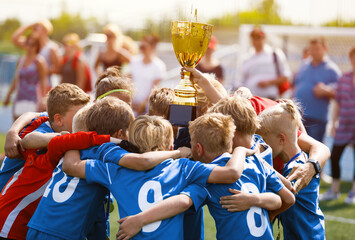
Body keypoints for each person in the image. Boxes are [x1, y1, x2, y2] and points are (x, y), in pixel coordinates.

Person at [62, 113, 252, 240]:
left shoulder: (114, 171)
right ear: (170, 146)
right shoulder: (183, 167)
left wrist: (70, 138)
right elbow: (230, 173)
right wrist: (241, 150)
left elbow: (71, 166)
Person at [26, 97, 188, 240]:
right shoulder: (107, 150)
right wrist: (177, 153)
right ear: (120, 134)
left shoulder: (76, 147)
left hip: (38, 224)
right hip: (64, 233)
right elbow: (141, 162)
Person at [116, 113, 294, 240]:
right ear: (230, 143)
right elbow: (285, 199)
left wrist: (140, 219)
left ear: (198, 149)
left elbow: (183, 202)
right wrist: (257, 202)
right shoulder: (255, 162)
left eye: (191, 143)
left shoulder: (207, 178)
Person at [184, 66, 331, 194]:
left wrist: (310, 167)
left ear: (206, 108)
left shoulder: (264, 115)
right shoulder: (231, 112)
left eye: (196, 114)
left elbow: (319, 147)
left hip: (290, 183)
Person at [0, 83, 91, 239]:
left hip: (26, 220)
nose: (84, 120)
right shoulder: (43, 135)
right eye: (79, 115)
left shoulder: (53, 121)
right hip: (11, 218)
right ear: (59, 120)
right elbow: (29, 140)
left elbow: (33, 114)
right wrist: (13, 132)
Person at [257, 100, 325, 240]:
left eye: (264, 139)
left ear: (281, 139)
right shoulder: (300, 159)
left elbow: (285, 198)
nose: (262, 145)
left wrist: (258, 161)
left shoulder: (297, 169)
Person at [320, 46, 355, 203]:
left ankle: (353, 193)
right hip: (344, 126)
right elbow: (337, 103)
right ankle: (334, 190)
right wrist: (334, 123)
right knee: (334, 156)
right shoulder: (343, 78)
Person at [293, 37, 341, 142]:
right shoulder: (304, 65)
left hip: (317, 119)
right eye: (311, 49)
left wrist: (326, 91)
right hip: (299, 116)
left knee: (314, 151)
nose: (314, 52)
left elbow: (341, 93)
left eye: (317, 49)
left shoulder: (332, 69)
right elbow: (296, 85)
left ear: (325, 49)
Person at [240, 26, 292, 99]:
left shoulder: (275, 54)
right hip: (251, 99)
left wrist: (268, 83)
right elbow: (241, 80)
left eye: (258, 37)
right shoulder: (247, 58)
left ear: (264, 38)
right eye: (254, 38)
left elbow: (286, 76)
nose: (256, 40)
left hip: (270, 98)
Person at [3, 36, 47, 121]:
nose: (29, 47)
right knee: (16, 126)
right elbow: (16, 79)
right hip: (20, 97)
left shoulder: (39, 61)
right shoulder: (21, 60)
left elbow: (43, 81)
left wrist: (44, 99)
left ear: (37, 46)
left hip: (33, 98)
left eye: (32, 45)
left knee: (30, 127)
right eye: (28, 44)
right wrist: (8, 95)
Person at [11, 20, 61, 90]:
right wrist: (28, 26)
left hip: (45, 87)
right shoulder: (31, 44)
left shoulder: (52, 48)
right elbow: (14, 39)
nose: (34, 29)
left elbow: (57, 69)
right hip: (29, 86)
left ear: (45, 30)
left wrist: (39, 70)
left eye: (37, 27)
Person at [130, 34, 166, 115]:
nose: (141, 49)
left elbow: (155, 88)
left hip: (147, 107)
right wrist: (131, 100)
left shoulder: (159, 66)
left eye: (144, 46)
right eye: (141, 46)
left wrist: (143, 104)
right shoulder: (134, 61)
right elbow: (130, 81)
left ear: (152, 47)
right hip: (132, 104)